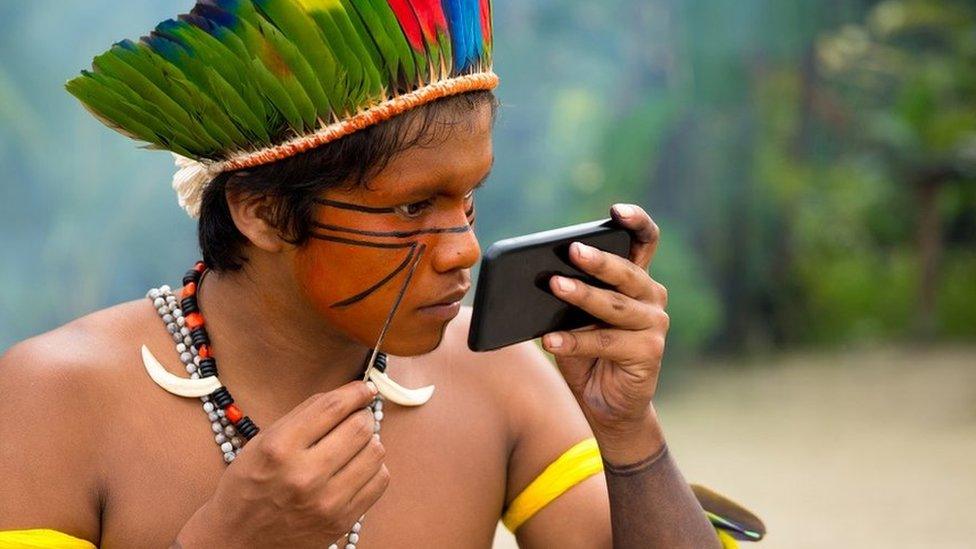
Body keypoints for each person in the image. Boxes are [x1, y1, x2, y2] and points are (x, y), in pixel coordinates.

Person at [0, 1, 761, 547]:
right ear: (262, 213)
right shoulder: (58, 399)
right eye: (411, 208)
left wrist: (629, 436)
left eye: (468, 200)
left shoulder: (494, 377)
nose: (464, 246)